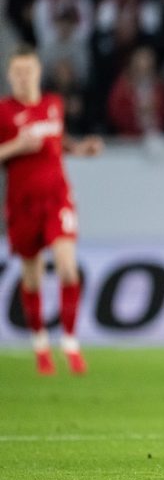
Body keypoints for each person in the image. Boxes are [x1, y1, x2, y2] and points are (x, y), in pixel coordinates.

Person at [0, 44, 103, 375]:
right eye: (17, 72)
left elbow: (58, 141)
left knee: (67, 268)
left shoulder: (53, 105)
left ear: (38, 72)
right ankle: (40, 344)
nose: (23, 77)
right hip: (22, 203)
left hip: (57, 197)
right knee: (31, 277)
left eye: (28, 70)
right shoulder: (3, 111)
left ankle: (70, 344)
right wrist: (16, 145)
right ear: (9, 76)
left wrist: (79, 149)